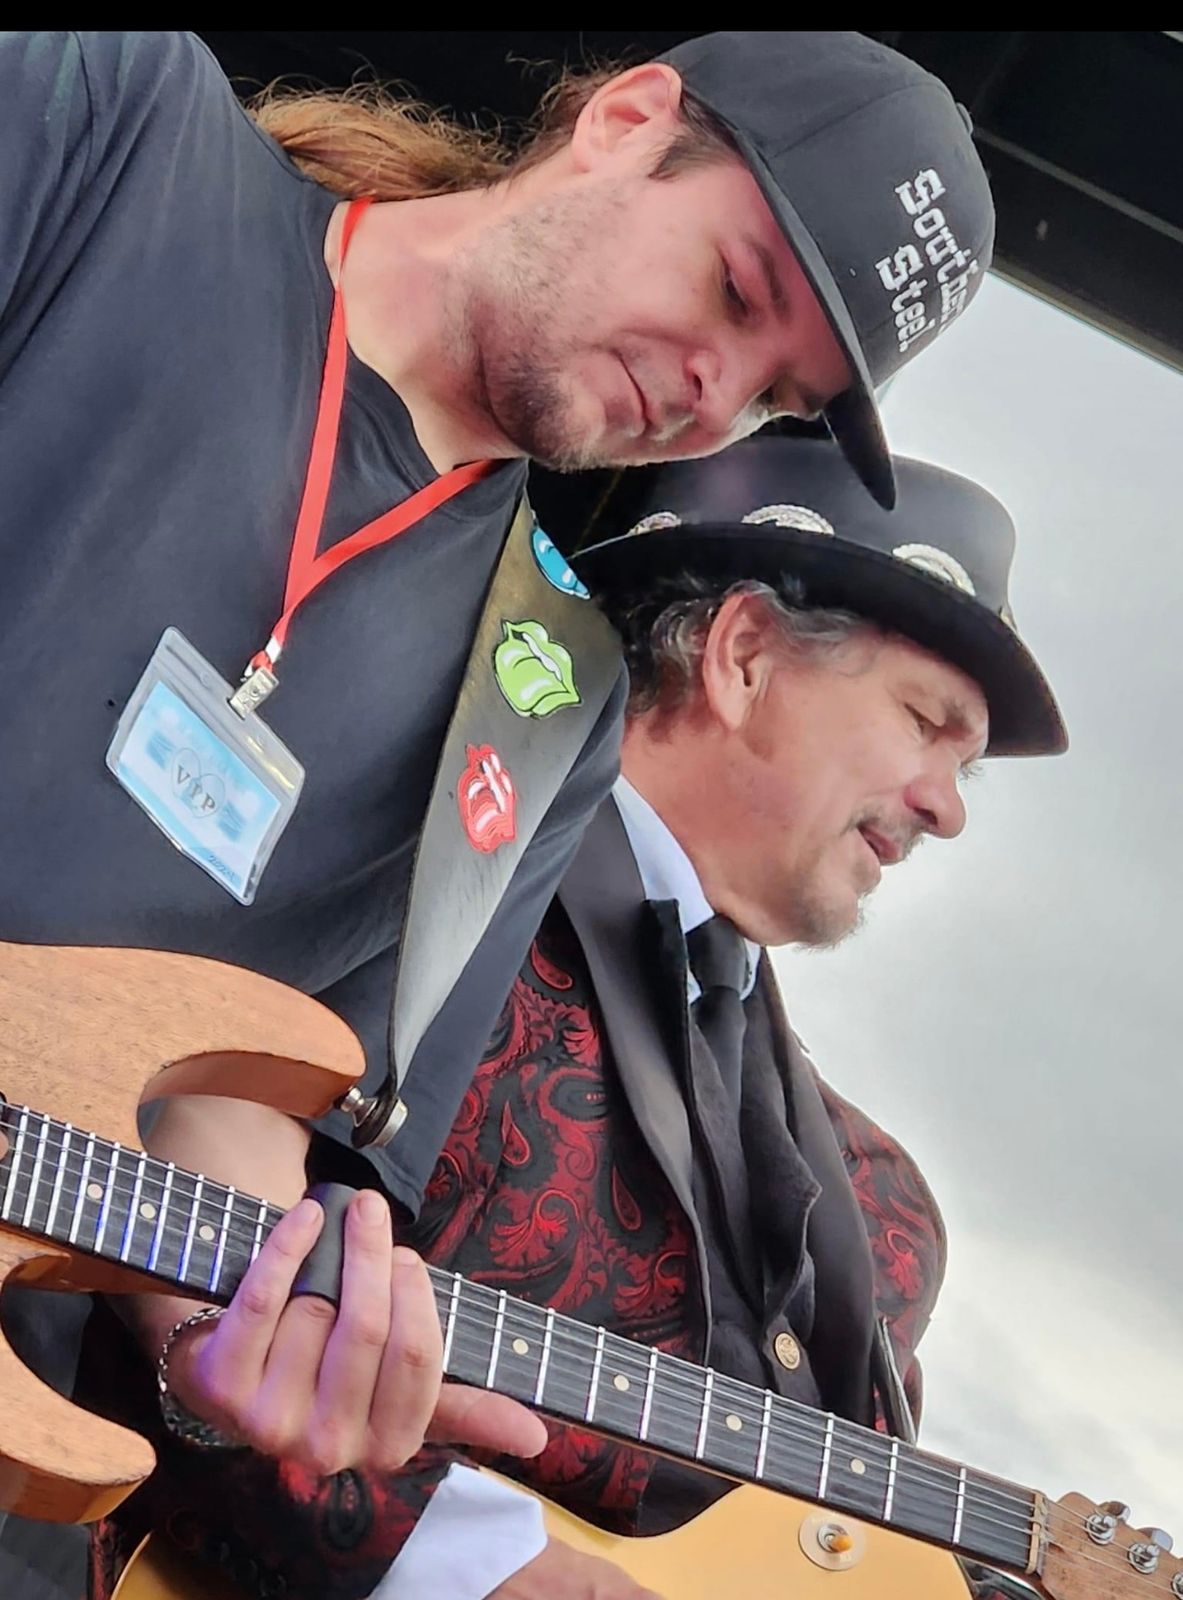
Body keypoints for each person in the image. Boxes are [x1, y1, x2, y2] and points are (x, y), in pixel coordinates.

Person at [0, 28, 996, 1476]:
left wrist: (234, 1338)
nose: (710, 388)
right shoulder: (109, 126)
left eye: (769, 396)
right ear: (625, 122)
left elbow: (233, 1098)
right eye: (735, 289)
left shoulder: (544, 703)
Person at [87, 431, 1066, 1600]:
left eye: (966, 767)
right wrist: (481, 1570)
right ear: (744, 657)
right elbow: (156, 1229)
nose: (948, 809)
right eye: (924, 720)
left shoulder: (885, 1210)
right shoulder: (403, 866)